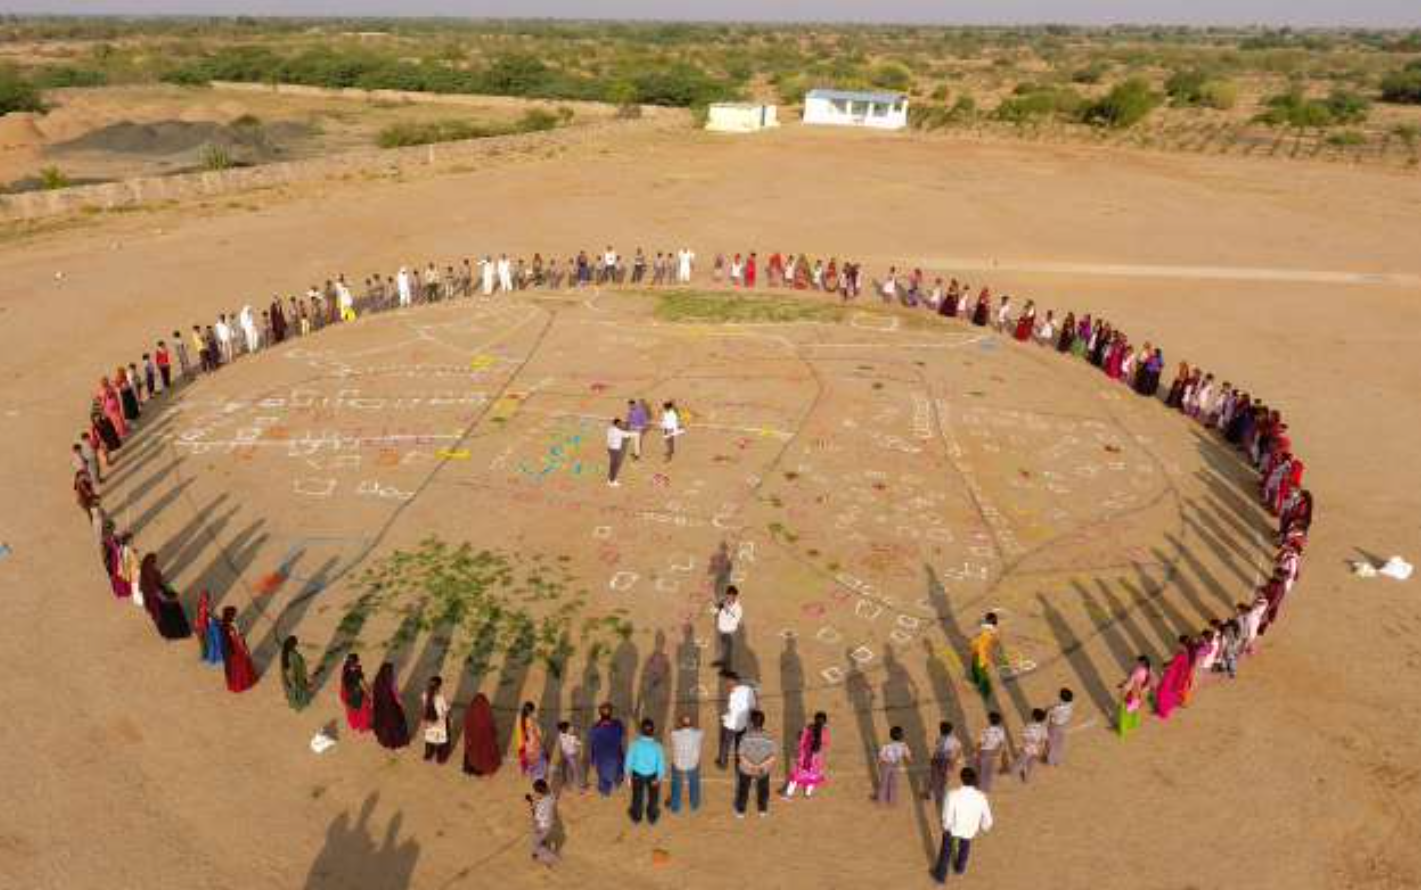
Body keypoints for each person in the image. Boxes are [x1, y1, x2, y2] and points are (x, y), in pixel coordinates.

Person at [930, 767, 994, 883]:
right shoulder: (981, 796)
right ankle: (960, 868)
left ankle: (940, 876)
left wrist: (946, 826)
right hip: (970, 830)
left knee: (945, 853)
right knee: (965, 847)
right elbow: (988, 819)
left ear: (962, 779)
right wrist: (984, 827)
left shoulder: (953, 794)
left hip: (953, 829)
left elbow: (947, 814)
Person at [624, 718, 667, 825]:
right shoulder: (658, 746)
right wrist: (659, 778)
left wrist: (628, 776)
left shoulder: (634, 744)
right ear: (653, 731)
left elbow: (628, 762)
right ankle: (652, 817)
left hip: (637, 775)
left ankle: (637, 816)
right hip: (653, 776)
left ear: (641, 731)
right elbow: (661, 765)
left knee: (637, 797)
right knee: (653, 797)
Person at [734, 710, 776, 819]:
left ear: (752, 722)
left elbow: (741, 756)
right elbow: (772, 757)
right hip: (763, 770)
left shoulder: (745, 737)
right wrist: (760, 766)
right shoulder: (769, 737)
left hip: (746, 769)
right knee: (763, 790)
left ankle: (741, 811)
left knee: (743, 789)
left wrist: (752, 766)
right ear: (763, 722)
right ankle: (762, 810)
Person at [783, 711, 828, 800]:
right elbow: (824, 745)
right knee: (812, 777)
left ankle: (788, 794)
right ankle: (808, 794)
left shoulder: (807, 728)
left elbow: (801, 742)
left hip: (804, 758)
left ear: (814, 720)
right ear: (825, 722)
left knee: (796, 776)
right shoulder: (825, 732)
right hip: (816, 761)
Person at [717, 671, 756, 769]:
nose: (728, 683)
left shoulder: (732, 693)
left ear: (733, 681)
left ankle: (723, 762)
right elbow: (752, 705)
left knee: (725, 743)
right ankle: (739, 763)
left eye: (729, 681)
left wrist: (723, 717)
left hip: (730, 724)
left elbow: (730, 709)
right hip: (742, 724)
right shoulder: (749, 689)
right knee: (739, 744)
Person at [588, 702, 626, 795]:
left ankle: (605, 791)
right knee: (618, 773)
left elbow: (593, 745)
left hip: (602, 760)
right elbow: (621, 734)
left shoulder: (595, 728)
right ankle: (617, 783)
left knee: (603, 776)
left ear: (600, 714)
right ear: (611, 713)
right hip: (616, 757)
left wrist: (593, 759)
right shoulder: (618, 725)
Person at [668, 714, 703, 813]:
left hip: (678, 765)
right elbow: (699, 731)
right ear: (691, 724)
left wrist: (678, 727)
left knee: (676, 785)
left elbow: (672, 731)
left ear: (681, 724)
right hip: (693, 764)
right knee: (694, 784)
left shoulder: (675, 734)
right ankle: (695, 804)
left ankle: (675, 807)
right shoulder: (698, 734)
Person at [372, 662, 410, 750]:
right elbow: (397, 697)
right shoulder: (391, 682)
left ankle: (387, 741)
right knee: (396, 726)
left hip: (381, 710)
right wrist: (402, 705)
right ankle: (398, 743)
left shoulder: (378, 680)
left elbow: (375, 695)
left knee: (385, 727)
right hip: (392, 710)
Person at [219, 606, 257, 693]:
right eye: (234, 614)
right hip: (236, 648)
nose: (236, 616)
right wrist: (245, 648)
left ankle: (234, 683)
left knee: (234, 668)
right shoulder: (232, 626)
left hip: (230, 650)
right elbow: (238, 638)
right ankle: (242, 683)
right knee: (241, 666)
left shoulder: (223, 625)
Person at [924, 721, 963, 808]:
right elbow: (959, 750)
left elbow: (937, 751)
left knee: (934, 778)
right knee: (944, 780)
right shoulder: (955, 740)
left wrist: (932, 760)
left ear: (941, 731)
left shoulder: (939, 739)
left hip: (937, 761)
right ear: (951, 731)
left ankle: (929, 794)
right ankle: (940, 798)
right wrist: (955, 760)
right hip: (947, 762)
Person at [1155, 635, 1194, 720]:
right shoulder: (1187, 652)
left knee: (1162, 691)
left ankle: (1163, 711)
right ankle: (1166, 708)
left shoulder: (1181, 653)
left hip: (1174, 675)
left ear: (1181, 643)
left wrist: (1166, 667)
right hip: (1180, 675)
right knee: (1170, 692)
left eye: (1179, 643)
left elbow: (1173, 665)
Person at [463, 693, 501, 776]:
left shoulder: (470, 711)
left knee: (473, 755)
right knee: (485, 755)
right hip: (485, 742)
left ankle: (472, 769)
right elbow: (492, 728)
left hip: (473, 740)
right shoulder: (487, 713)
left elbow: (467, 726)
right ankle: (483, 769)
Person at [875, 726, 912, 805]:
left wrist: (879, 763)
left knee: (884, 783)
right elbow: (909, 757)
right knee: (893, 783)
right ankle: (892, 800)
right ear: (902, 736)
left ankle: (881, 800)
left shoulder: (886, 745)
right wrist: (909, 760)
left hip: (886, 765)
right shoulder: (903, 745)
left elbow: (880, 757)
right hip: (896, 765)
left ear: (890, 735)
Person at [1117, 655, 1152, 738]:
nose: (1137, 663)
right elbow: (1146, 686)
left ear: (1142, 663)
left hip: (1133, 695)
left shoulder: (1138, 672)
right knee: (1135, 710)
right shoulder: (1148, 671)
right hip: (1139, 695)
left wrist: (1124, 691)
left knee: (1124, 711)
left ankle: (1123, 729)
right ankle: (1133, 724)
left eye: (1138, 662)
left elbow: (1133, 684)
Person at [967, 613, 1000, 700]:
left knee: (981, 671)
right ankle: (976, 680)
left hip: (981, 653)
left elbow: (981, 630)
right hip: (979, 651)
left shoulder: (987, 630)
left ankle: (985, 691)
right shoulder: (991, 629)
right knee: (976, 667)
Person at [419, 676, 452, 764]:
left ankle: (428, 755)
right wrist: (448, 708)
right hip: (440, 722)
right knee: (442, 741)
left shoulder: (424, 695)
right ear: (439, 686)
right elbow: (445, 710)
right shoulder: (440, 698)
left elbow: (424, 707)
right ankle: (440, 758)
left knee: (430, 739)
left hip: (429, 721)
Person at [527, 779, 558, 867]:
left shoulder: (541, 804)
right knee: (541, 840)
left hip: (543, 826)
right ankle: (538, 852)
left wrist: (533, 807)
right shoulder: (551, 798)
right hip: (550, 823)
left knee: (536, 842)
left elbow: (536, 818)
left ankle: (548, 859)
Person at [340, 654, 374, 732]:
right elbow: (362, 684)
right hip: (357, 694)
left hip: (348, 693)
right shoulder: (357, 672)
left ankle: (357, 725)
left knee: (353, 711)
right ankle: (364, 726)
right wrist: (369, 692)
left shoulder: (345, 669)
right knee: (363, 710)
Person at [515, 701, 548, 780]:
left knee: (526, 759)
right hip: (532, 743)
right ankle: (539, 774)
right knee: (539, 759)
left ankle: (526, 772)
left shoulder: (519, 718)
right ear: (530, 712)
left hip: (522, 743)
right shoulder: (531, 721)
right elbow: (538, 733)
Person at [975, 712, 1006, 792]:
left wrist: (976, 752)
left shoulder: (985, 730)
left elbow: (980, 743)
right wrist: (997, 752)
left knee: (981, 770)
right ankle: (987, 787)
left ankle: (980, 787)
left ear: (989, 720)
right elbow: (1001, 743)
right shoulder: (1001, 730)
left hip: (984, 752)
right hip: (993, 752)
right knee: (989, 771)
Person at [1014, 709, 1048, 782]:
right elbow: (1044, 739)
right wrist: (1042, 749)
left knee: (1021, 761)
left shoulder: (1029, 726)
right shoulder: (1043, 727)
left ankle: (1016, 771)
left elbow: (1024, 736)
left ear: (1034, 717)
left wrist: (1023, 745)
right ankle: (1027, 778)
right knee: (1031, 764)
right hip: (1036, 750)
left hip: (1027, 749)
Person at [279, 635, 312, 711]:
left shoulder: (286, 653)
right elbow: (294, 671)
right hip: (297, 678)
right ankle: (299, 704)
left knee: (295, 691)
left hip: (293, 678)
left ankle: (295, 701)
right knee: (298, 692)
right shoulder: (293, 657)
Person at [713, 585, 742, 669]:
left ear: (735, 596)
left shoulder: (738, 608)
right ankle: (721, 661)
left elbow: (736, 620)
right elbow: (714, 612)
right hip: (721, 629)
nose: (729, 598)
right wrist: (716, 606)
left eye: (731, 596)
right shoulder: (723, 604)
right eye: (728, 595)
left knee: (728, 649)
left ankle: (728, 667)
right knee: (721, 647)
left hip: (730, 631)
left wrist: (726, 610)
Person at [554, 721, 586, 792]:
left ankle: (569, 785)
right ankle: (580, 787)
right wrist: (581, 742)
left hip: (566, 755)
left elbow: (562, 746)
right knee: (577, 770)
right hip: (572, 755)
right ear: (566, 729)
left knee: (569, 770)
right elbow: (578, 744)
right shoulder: (571, 737)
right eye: (570, 727)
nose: (572, 728)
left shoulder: (561, 735)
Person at [1045, 688, 1074, 766]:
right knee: (1060, 743)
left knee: (1050, 743)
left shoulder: (1057, 708)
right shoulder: (1071, 704)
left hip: (1054, 726)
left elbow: (1049, 711)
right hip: (1064, 725)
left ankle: (1050, 760)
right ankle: (1058, 760)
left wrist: (1048, 708)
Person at [197, 590, 223, 666]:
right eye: (203, 598)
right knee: (207, 642)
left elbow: (212, 615)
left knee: (210, 642)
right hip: (202, 626)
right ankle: (206, 657)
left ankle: (209, 657)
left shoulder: (205, 606)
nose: (204, 599)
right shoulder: (201, 605)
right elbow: (212, 615)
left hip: (205, 626)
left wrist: (219, 620)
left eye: (205, 598)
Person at [606, 418, 634, 487]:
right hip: (616, 450)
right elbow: (627, 435)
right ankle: (612, 481)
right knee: (615, 466)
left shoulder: (610, 429)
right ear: (616, 424)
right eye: (620, 424)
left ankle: (610, 480)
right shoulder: (618, 431)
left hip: (610, 449)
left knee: (612, 465)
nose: (621, 424)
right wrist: (637, 433)